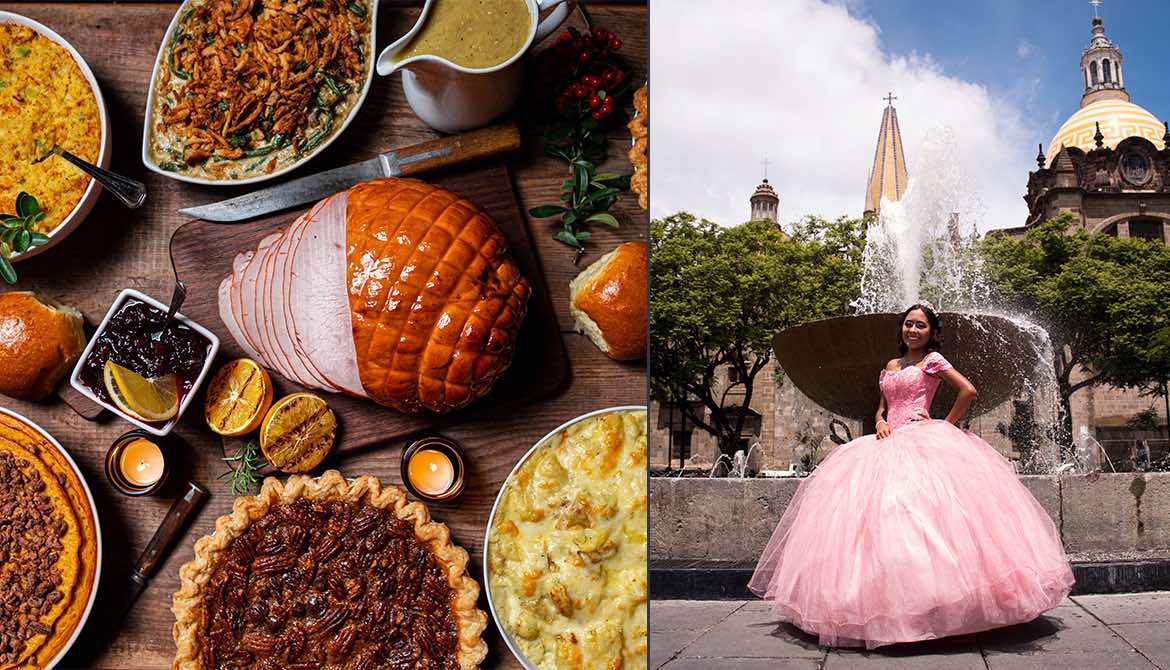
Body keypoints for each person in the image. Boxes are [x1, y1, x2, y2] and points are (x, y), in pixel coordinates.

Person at [748, 304, 1074, 649]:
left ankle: (939, 605)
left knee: (923, 517)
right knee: (882, 517)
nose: (913, 330)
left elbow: (968, 391)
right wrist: (880, 421)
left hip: (922, 437)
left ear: (931, 332)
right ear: (901, 329)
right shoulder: (890, 365)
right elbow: (882, 404)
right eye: (908, 324)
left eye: (920, 326)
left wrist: (943, 425)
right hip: (887, 440)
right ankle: (887, 605)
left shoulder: (932, 361)